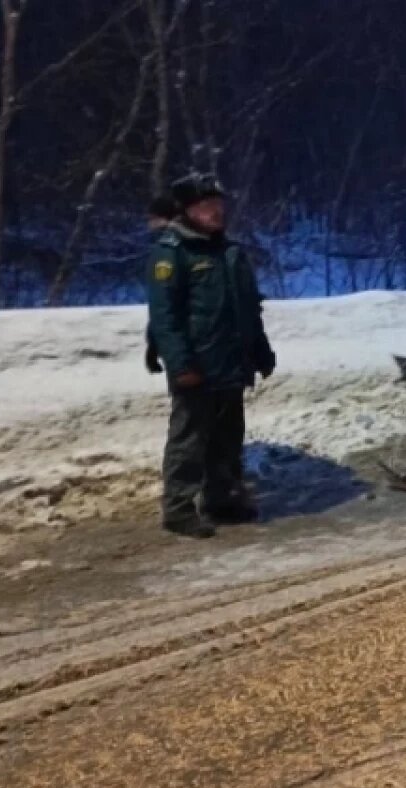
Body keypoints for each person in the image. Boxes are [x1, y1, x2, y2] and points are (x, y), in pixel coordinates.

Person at [146, 173, 276, 538]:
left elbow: (248, 309)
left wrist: (261, 351)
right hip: (196, 364)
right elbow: (164, 317)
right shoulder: (171, 254)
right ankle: (178, 509)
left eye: (219, 205)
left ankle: (222, 500)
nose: (216, 212)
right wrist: (180, 363)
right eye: (207, 207)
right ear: (187, 211)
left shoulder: (229, 252)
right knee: (189, 438)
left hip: (231, 361)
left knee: (228, 436)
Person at [145, 195, 180, 375]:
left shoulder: (168, 249)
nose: (149, 224)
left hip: (181, 349)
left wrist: (153, 344)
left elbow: (163, 304)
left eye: (152, 218)